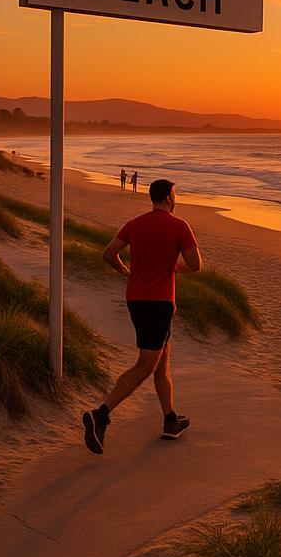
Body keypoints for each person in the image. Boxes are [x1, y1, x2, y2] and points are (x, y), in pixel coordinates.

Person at [82, 179, 202, 455]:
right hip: (159, 303)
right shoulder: (179, 226)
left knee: (161, 362)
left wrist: (125, 271)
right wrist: (172, 267)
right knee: (146, 364)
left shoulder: (134, 224)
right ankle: (101, 414)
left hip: (136, 299)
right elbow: (196, 265)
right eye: (175, 194)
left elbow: (108, 253)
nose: (176, 198)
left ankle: (170, 419)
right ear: (170, 197)